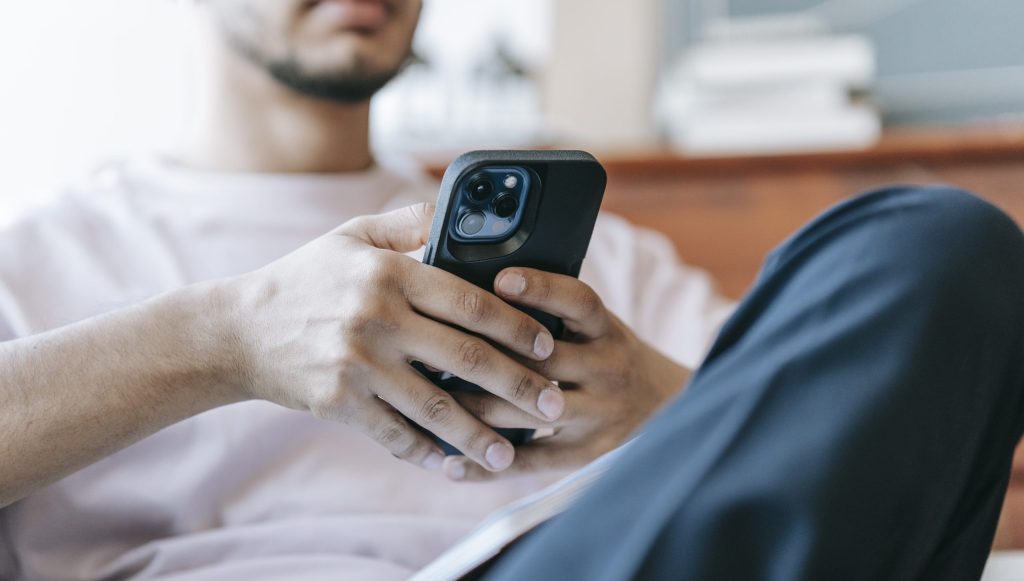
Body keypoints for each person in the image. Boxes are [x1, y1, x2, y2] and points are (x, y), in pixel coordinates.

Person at [0, 1, 732, 579]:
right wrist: (226, 339)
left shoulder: (598, 258)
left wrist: (660, 400)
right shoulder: (35, 260)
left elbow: (817, 433)